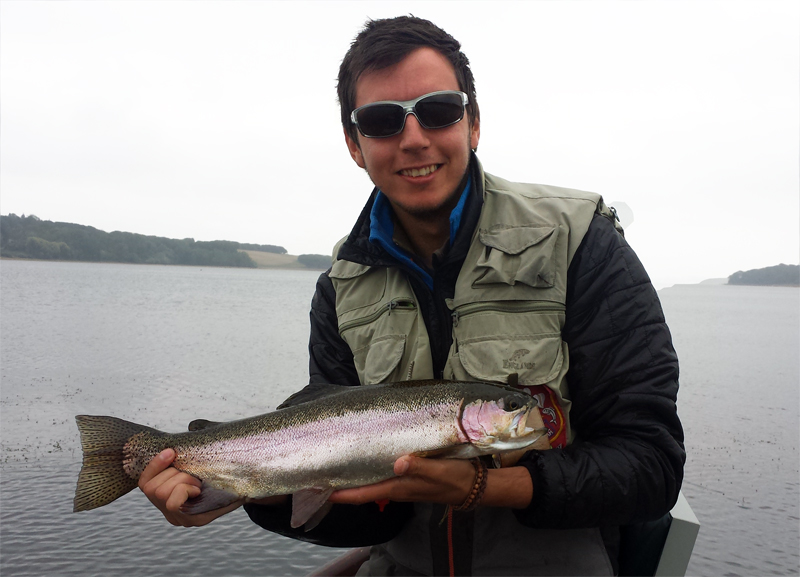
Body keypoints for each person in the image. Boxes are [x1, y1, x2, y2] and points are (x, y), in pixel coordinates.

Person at [139, 15, 685, 576]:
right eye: (382, 121)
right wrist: (252, 489)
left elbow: (652, 466)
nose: (414, 138)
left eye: (439, 110)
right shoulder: (340, 288)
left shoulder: (580, 242)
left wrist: (484, 488)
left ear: (473, 123)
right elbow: (371, 521)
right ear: (354, 145)